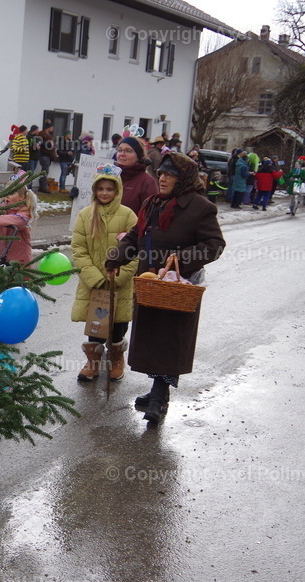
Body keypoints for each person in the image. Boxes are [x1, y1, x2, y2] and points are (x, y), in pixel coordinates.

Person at [105, 154, 226, 426]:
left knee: (170, 340)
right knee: (152, 339)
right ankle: (156, 390)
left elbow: (215, 244)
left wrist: (179, 261)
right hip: (150, 282)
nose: (162, 178)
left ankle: (160, 397)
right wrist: (117, 255)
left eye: (169, 175)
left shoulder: (200, 207)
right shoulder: (152, 204)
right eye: (161, 173)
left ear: (182, 179)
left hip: (178, 285)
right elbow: (136, 236)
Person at [71, 166, 138, 382]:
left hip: (119, 284)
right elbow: (78, 250)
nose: (105, 193)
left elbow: (135, 250)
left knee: (118, 325)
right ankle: (93, 361)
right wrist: (95, 278)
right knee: (96, 325)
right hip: (95, 284)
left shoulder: (128, 216)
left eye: (109, 189)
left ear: (117, 191)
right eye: (100, 189)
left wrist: (119, 277)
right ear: (95, 191)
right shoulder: (85, 216)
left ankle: (116, 358)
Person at [0, 171, 37, 266]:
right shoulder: (1, 208)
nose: (7, 196)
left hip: (19, 262)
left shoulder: (25, 213)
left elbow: (16, 220)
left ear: (21, 197)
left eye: (11, 193)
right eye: (6, 193)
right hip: (1, 258)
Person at [114, 136, 157, 214]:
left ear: (138, 156)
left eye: (128, 151)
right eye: (120, 150)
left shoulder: (147, 182)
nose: (122, 154)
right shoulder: (111, 176)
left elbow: (150, 214)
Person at [36, 120, 58, 193]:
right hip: (44, 155)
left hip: (49, 155)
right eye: (52, 127)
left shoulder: (50, 135)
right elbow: (39, 143)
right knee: (45, 171)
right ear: (48, 128)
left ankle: (42, 186)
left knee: (45, 171)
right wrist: (48, 144)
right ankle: (44, 187)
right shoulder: (42, 134)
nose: (53, 129)